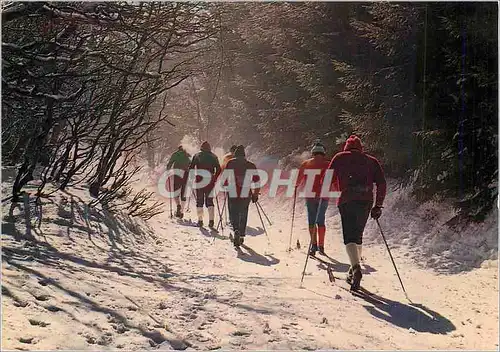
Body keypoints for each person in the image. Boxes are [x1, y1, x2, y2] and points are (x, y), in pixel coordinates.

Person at [327, 135, 386, 291]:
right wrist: (378, 205)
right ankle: (353, 270)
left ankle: (355, 268)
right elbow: (381, 183)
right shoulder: (371, 161)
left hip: (347, 200)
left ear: (346, 147)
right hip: (366, 201)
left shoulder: (339, 157)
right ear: (361, 148)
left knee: (349, 237)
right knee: (358, 234)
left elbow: (328, 179)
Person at [296, 140, 331, 256]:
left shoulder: (306, 164)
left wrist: (296, 186)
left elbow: (298, 180)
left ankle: (313, 245)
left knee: (312, 220)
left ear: (313, 153)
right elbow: (334, 179)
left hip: (310, 196)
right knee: (321, 220)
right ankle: (321, 245)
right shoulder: (328, 164)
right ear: (323, 153)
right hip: (324, 196)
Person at [222, 145, 260, 247]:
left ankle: (236, 230)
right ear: (244, 154)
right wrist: (255, 194)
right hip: (246, 193)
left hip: (232, 191)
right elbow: (257, 181)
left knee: (233, 212)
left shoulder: (230, 163)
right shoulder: (251, 165)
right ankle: (242, 234)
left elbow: (225, 177)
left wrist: (225, 185)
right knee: (243, 212)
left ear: (235, 154)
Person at [189, 141, 221, 227]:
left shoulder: (197, 156)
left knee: (199, 201)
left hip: (199, 181)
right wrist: (215, 177)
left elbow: (191, 168)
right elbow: (219, 169)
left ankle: (200, 220)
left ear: (201, 148)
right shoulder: (214, 156)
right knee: (210, 201)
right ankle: (211, 221)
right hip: (210, 182)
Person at [166, 146, 191, 218]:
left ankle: (178, 205)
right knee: (184, 192)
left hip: (177, 173)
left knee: (175, 191)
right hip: (186, 174)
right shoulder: (187, 154)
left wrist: (168, 170)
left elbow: (170, 163)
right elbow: (191, 164)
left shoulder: (175, 154)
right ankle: (181, 212)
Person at [221, 145, 237, 227]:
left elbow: (223, 169)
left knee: (230, 201)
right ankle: (237, 219)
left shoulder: (227, 157)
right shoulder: (240, 158)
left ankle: (232, 219)